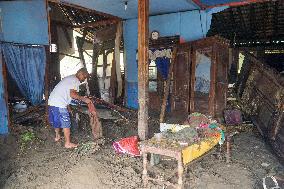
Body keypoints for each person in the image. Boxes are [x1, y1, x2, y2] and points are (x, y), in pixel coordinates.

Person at [48, 68, 95, 148]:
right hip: (59, 103)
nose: (83, 80)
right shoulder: (75, 80)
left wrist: (68, 108)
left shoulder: (69, 78)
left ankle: (57, 136)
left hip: (52, 102)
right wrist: (85, 99)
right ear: (80, 73)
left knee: (56, 120)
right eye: (84, 77)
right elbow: (72, 95)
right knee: (66, 123)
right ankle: (67, 143)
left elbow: (65, 94)